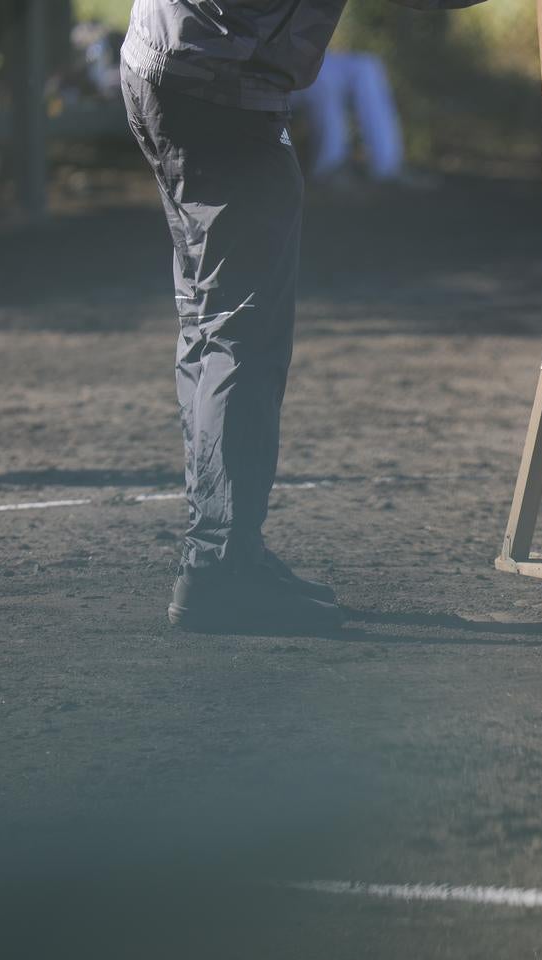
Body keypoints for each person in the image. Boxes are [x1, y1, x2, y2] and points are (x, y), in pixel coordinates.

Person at [119, 0, 487, 632]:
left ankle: (226, 553)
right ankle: (219, 570)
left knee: (212, 326)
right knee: (240, 335)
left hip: (170, 64)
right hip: (220, 91)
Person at [293, 50, 405, 185]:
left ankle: (387, 166)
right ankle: (330, 167)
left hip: (306, 58)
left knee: (366, 67)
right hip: (275, 67)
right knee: (323, 80)